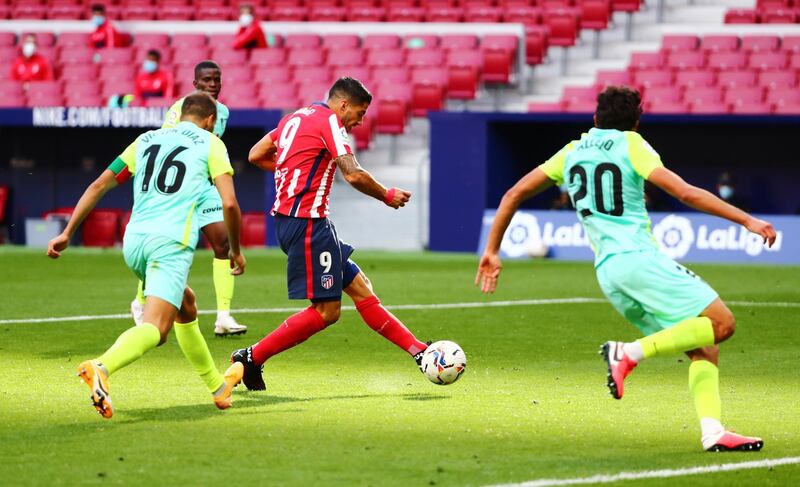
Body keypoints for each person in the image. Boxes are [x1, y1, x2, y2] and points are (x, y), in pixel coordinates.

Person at [476, 86, 776, 452]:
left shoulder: (571, 152)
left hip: (609, 274)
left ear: (594, 119)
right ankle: (628, 353)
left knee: (703, 347)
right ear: (636, 122)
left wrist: (492, 249)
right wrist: (746, 220)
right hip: (639, 260)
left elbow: (512, 195)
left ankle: (712, 431)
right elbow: (685, 193)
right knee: (722, 324)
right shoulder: (633, 144)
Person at [46, 93, 247, 419]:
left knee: (186, 305)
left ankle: (218, 387)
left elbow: (99, 184)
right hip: (170, 244)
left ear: (179, 113)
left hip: (135, 242)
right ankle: (101, 366)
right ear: (211, 120)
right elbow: (229, 204)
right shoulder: (211, 143)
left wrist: (68, 232)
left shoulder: (146, 139)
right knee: (157, 328)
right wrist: (235, 250)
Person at [229, 77, 428, 390]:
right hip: (308, 224)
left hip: (295, 223)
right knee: (327, 311)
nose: (360, 122)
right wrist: (387, 195)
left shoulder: (293, 118)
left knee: (362, 289)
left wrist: (293, 169)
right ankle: (251, 357)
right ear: (344, 104)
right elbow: (353, 173)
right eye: (360, 113)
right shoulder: (331, 122)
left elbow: (256, 154)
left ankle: (420, 352)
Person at [130, 60, 246, 337]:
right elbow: (167, 144)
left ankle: (224, 317)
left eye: (217, 79)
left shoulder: (224, 113)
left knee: (222, 243)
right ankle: (141, 300)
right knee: (163, 244)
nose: (213, 84)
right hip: (178, 187)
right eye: (207, 80)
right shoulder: (179, 109)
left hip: (204, 186)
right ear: (195, 84)